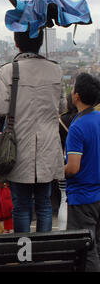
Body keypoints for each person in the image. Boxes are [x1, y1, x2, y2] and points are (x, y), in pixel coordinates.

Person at [0, 30, 66, 233]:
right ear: (41, 42)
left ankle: (24, 255)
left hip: (19, 147)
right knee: (45, 204)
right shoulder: (56, 70)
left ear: (16, 43)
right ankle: (43, 253)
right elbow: (62, 107)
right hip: (48, 146)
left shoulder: (7, 71)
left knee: (22, 206)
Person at [64, 73, 100, 272]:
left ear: (76, 96)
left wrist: (59, 169)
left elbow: (73, 168)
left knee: (87, 251)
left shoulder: (77, 127)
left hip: (82, 198)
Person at [57, 93, 78, 231]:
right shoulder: (82, 119)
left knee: (64, 198)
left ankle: (62, 232)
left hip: (63, 164)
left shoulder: (61, 120)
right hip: (82, 165)